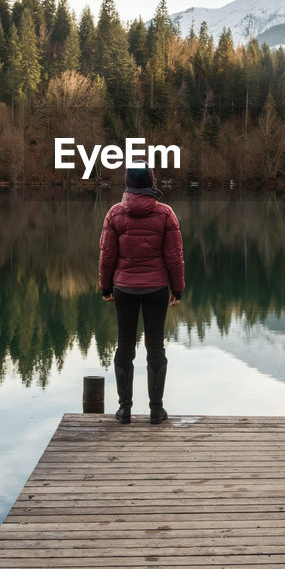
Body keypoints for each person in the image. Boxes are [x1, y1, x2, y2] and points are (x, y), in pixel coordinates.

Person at [99, 163, 184, 424]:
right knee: (155, 347)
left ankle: (124, 410)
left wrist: (105, 286)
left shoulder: (114, 214)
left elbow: (107, 256)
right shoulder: (166, 213)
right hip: (157, 288)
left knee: (125, 345)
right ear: (151, 182)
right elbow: (174, 257)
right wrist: (177, 289)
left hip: (124, 287)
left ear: (127, 184)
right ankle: (156, 411)